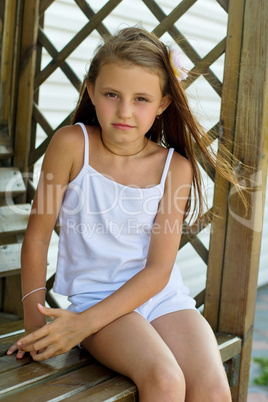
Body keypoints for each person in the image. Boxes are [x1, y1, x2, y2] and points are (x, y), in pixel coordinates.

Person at [7, 27, 235, 401]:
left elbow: (159, 271)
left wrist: (79, 328)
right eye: (112, 94)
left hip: (163, 298)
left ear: (162, 103)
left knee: (213, 391)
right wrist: (38, 325)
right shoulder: (70, 145)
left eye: (141, 99)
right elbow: (37, 237)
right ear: (91, 90)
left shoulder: (174, 168)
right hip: (97, 300)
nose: (125, 111)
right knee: (165, 380)